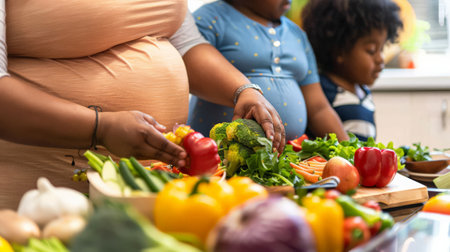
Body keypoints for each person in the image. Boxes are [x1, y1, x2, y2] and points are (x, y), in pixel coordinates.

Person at [0, 0, 285, 208]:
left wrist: (244, 90)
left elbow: (185, 44)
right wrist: (100, 128)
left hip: (152, 194)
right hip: (42, 200)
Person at [188, 0, 349, 143]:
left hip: (284, 161)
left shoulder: (297, 34)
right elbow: (190, 67)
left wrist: (349, 151)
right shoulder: (211, 18)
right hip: (214, 156)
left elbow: (318, 108)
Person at [301, 0, 403, 141]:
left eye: (382, 49)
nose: (381, 58)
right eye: (371, 50)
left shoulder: (364, 92)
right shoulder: (323, 91)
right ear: (339, 50)